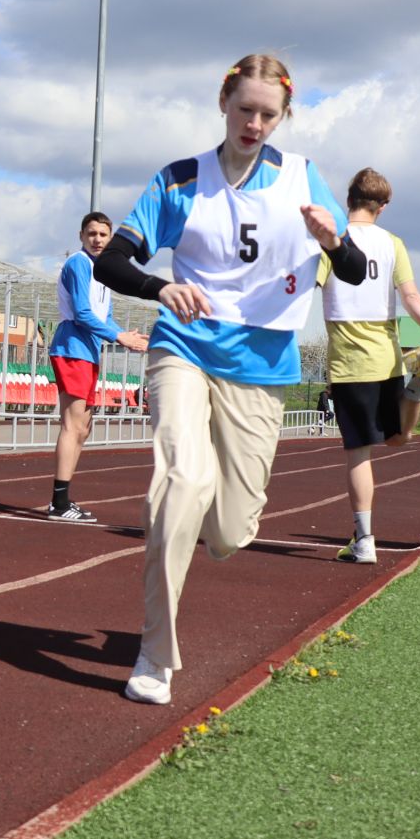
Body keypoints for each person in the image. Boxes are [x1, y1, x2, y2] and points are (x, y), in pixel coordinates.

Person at [92, 53, 366, 704]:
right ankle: (155, 654)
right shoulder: (181, 180)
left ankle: (217, 514)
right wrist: (163, 287)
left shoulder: (302, 179)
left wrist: (331, 240)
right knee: (181, 481)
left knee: (230, 531)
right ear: (223, 102)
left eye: (268, 114)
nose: (254, 122)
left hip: (260, 364)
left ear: (284, 117)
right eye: (245, 108)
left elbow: (352, 270)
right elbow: (113, 263)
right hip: (184, 349)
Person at [318, 168, 420, 563]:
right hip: (388, 356)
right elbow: (410, 296)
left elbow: (310, 285)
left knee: (358, 452)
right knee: (397, 438)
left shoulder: (332, 241)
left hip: (350, 360)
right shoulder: (393, 243)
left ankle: (365, 541)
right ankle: (418, 382)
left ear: (348, 199)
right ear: (383, 206)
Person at [47, 211, 148, 521]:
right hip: (72, 347)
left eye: (103, 235)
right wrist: (119, 337)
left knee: (83, 429)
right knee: (73, 425)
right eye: (92, 234)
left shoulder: (101, 272)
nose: (97, 239)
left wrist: (126, 335)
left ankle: (63, 499)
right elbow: (82, 314)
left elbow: (104, 317)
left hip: (88, 350)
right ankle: (59, 503)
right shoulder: (79, 263)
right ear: (81, 236)